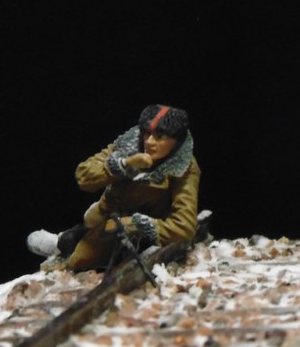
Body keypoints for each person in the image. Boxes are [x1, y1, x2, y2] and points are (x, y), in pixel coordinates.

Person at [50, 104, 200, 271]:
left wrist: (141, 225)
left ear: (176, 141)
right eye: (147, 133)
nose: (149, 142)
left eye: (159, 137)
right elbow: (84, 176)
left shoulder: (185, 168)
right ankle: (63, 244)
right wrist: (125, 164)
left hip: (140, 230)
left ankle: (64, 263)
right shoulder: (128, 145)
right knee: (70, 239)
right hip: (104, 216)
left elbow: (184, 226)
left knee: (80, 259)